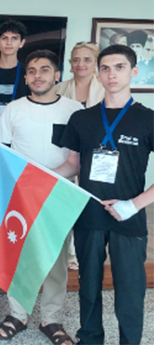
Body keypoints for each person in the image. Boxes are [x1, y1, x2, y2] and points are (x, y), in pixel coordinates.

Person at [55, 44, 154, 345]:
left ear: (134, 72)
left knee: (130, 289)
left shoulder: (148, 119)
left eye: (120, 67)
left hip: (128, 216)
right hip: (89, 213)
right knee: (88, 286)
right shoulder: (81, 119)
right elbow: (72, 165)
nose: (112, 74)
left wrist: (134, 205)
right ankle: (90, 339)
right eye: (106, 68)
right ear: (98, 74)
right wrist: (32, 175)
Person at [0, 50, 81, 345]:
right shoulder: (13, 109)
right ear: (26, 77)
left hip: (59, 193)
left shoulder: (74, 110)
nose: (37, 75)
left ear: (57, 75)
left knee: (56, 258)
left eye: (44, 69)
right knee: (20, 255)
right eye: (31, 70)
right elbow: (1, 152)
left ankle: (51, 318)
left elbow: (78, 157)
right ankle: (17, 314)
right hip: (21, 193)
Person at [56, 41, 104, 270]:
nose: (81, 64)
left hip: (97, 154)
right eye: (76, 59)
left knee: (89, 204)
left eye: (87, 59)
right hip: (66, 151)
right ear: (70, 63)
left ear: (95, 63)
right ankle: (66, 252)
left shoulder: (106, 89)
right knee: (66, 202)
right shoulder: (60, 88)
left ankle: (84, 252)